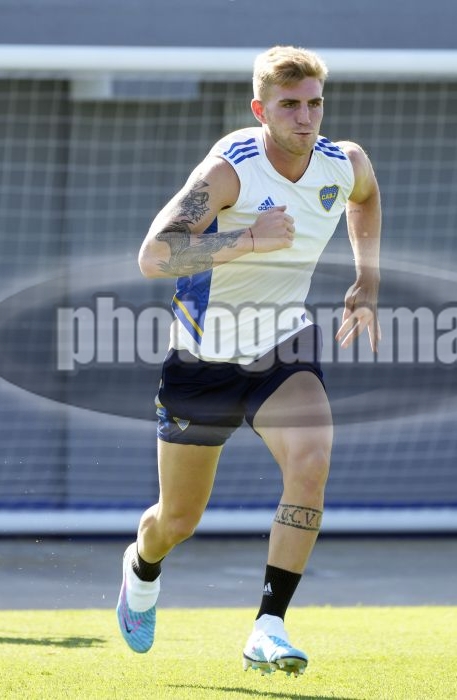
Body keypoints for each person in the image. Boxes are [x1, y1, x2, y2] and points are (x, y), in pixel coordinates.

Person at [116, 45, 381, 677]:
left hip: (282, 348)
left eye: (314, 104)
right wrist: (249, 239)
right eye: (289, 105)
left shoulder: (343, 162)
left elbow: (365, 198)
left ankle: (269, 625)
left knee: (311, 462)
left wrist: (367, 280)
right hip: (202, 361)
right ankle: (142, 568)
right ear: (260, 110)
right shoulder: (229, 171)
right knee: (177, 520)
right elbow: (154, 256)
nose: (305, 118)